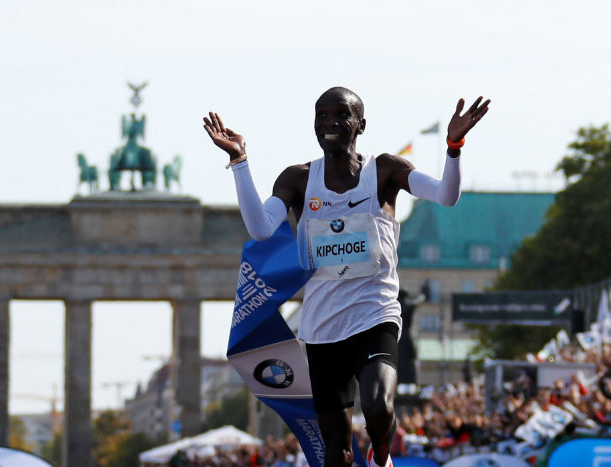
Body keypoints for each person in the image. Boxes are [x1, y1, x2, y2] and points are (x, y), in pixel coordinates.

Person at [204, 87, 490, 467]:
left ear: (361, 125)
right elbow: (260, 228)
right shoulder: (299, 180)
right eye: (322, 116)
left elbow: (446, 195)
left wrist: (453, 147)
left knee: (378, 407)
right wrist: (240, 161)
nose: (330, 123)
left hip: (375, 313)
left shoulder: (385, 170)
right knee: (336, 448)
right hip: (322, 326)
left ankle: (381, 455)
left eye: (341, 115)